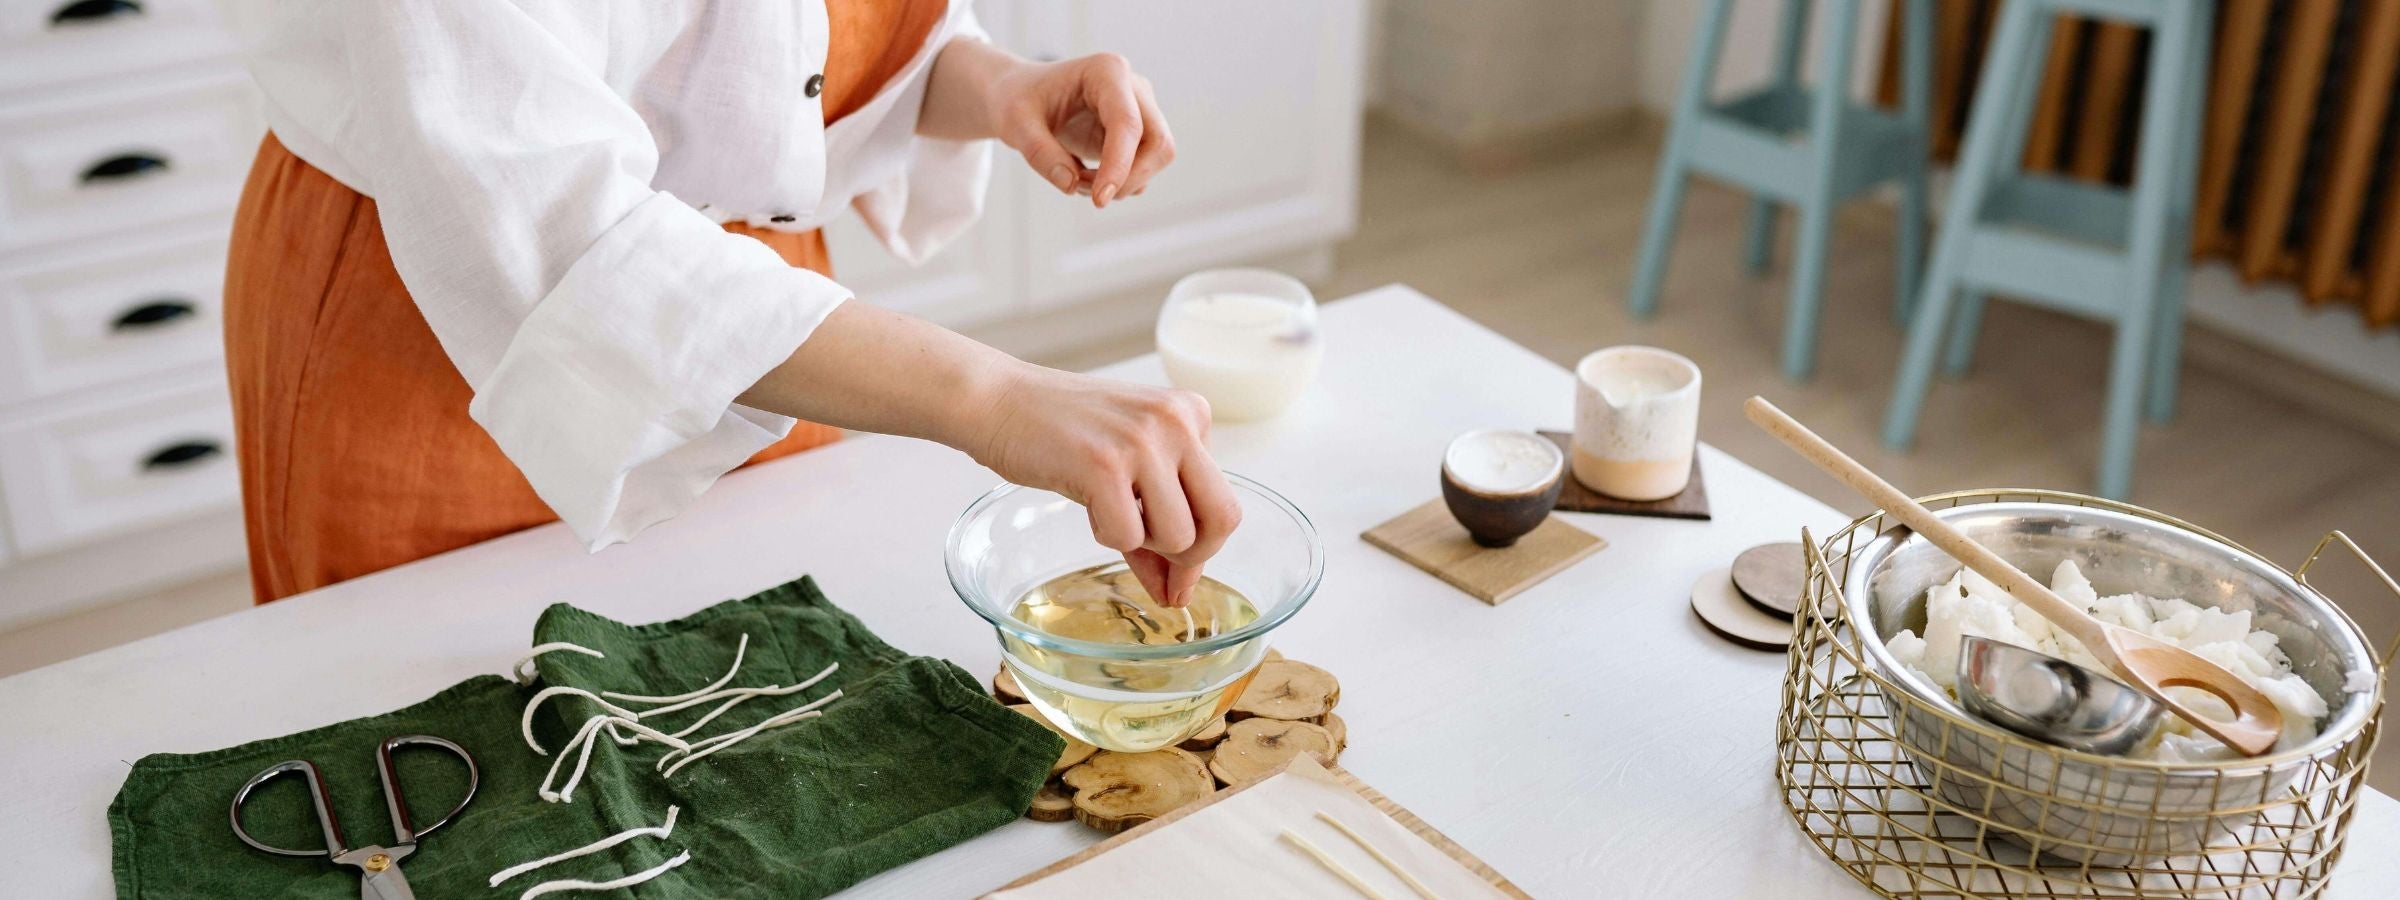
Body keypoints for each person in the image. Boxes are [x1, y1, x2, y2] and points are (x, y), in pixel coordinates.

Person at [223, 1, 1235, 607]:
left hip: (780, 332)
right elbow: (560, 219)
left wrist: (996, 80)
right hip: (449, 318)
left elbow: (781, 47)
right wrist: (995, 399)